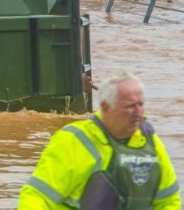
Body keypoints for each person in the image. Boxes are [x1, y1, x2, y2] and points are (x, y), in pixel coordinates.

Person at [18, 70, 180, 209]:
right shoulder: (74, 141)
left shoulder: (150, 143)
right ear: (105, 107)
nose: (138, 112)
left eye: (141, 104)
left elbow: (169, 201)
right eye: (130, 106)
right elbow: (37, 196)